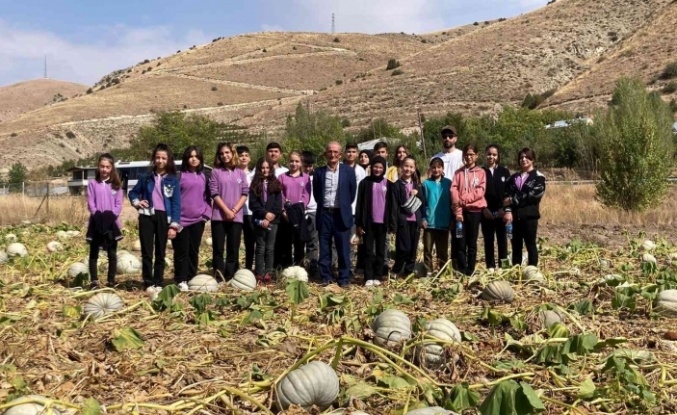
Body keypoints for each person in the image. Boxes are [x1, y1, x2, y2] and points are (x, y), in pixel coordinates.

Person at [129, 143, 181, 293]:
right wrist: (138, 203)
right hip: (146, 216)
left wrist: (174, 225)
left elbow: (176, 203)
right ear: (154, 159)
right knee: (146, 251)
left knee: (160, 251)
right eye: (157, 157)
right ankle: (147, 282)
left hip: (163, 217)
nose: (160, 160)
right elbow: (133, 193)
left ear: (168, 160)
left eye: (163, 158)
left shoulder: (173, 180)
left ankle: (158, 282)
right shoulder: (146, 178)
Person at [313, 141, 357, 288]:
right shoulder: (319, 172)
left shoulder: (348, 171)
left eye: (335, 152)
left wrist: (342, 206)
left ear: (340, 154)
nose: (332, 154)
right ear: (325, 154)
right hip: (324, 214)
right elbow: (317, 194)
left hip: (341, 214)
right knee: (324, 247)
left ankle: (344, 277)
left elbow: (351, 194)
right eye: (329, 151)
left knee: (343, 248)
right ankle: (326, 276)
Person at [209, 142, 249, 281]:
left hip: (236, 217)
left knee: (233, 249)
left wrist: (234, 210)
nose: (224, 156)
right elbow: (214, 192)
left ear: (232, 153)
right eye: (221, 153)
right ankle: (219, 277)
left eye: (227, 153)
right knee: (218, 249)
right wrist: (226, 210)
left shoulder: (240, 173)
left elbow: (245, 193)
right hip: (219, 216)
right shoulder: (215, 172)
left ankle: (231, 276)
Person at [172, 146, 211, 291]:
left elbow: (207, 198)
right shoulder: (179, 175)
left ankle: (191, 277)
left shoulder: (204, 176)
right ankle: (181, 279)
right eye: (191, 156)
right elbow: (172, 198)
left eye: (196, 156)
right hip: (181, 221)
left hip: (198, 221)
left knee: (193, 251)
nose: (194, 159)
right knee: (181, 251)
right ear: (186, 159)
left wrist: (205, 216)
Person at [86, 153, 124, 289]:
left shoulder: (116, 186)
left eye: (107, 167)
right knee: (93, 252)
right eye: (102, 166)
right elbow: (91, 203)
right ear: (98, 167)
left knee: (112, 253)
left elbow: (118, 205)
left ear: (111, 168)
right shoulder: (92, 184)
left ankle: (111, 281)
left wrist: (109, 217)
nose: (104, 169)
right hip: (96, 222)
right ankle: (94, 281)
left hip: (112, 223)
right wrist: (97, 215)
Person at [504, 148, 546, 267]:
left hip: (529, 217)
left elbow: (533, 195)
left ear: (532, 159)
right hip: (514, 218)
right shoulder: (513, 178)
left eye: (526, 157)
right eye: (521, 157)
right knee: (516, 245)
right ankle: (516, 271)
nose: (523, 159)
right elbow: (505, 196)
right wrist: (508, 210)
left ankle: (532, 271)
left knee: (530, 245)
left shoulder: (538, 177)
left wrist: (513, 200)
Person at [451, 144, 487, 276]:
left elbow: (480, 191)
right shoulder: (458, 173)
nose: (469, 157)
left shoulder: (481, 173)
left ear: (476, 156)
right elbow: (453, 190)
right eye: (467, 154)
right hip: (460, 212)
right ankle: (461, 268)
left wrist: (464, 199)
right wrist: (458, 209)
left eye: (472, 154)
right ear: (463, 156)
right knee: (460, 241)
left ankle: (470, 270)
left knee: (472, 242)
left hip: (474, 212)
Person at [355, 156, 390, 287]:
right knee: (368, 250)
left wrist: (391, 223)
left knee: (381, 250)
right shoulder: (364, 183)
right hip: (368, 222)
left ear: (384, 169)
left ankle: (378, 276)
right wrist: (359, 223)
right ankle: (368, 276)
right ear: (371, 167)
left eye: (380, 167)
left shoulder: (388, 184)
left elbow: (391, 206)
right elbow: (359, 204)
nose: (377, 169)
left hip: (382, 223)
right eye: (375, 166)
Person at [432, 125, 463, 270]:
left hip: (457, 200)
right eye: (444, 136)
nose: (447, 139)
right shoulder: (436, 157)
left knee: (458, 233)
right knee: (441, 234)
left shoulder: (461, 155)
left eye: (450, 136)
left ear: (455, 137)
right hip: (440, 201)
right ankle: (442, 265)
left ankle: (457, 264)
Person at [249, 157, 283, 283]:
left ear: (271, 169)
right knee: (260, 247)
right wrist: (264, 214)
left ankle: (268, 272)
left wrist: (271, 215)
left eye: (267, 167)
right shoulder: (254, 184)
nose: (265, 170)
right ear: (259, 169)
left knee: (270, 247)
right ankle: (259, 272)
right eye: (262, 168)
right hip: (259, 220)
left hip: (273, 221)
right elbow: (253, 204)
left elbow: (278, 204)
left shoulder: (276, 184)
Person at [388, 156, 423, 277]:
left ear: (414, 168)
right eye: (406, 166)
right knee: (403, 247)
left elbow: (423, 201)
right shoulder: (396, 185)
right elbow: (393, 206)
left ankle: (409, 271)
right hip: (403, 221)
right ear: (401, 167)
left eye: (411, 166)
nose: (408, 169)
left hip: (415, 221)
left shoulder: (417, 185)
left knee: (413, 248)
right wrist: (393, 225)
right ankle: (397, 269)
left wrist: (417, 194)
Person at [279, 151, 312, 266]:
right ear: (288, 162)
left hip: (299, 216)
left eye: (297, 161)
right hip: (286, 216)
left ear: (301, 163)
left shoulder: (306, 178)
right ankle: (286, 268)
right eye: (291, 161)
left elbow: (306, 195)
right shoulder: (282, 177)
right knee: (286, 244)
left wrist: (298, 209)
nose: (294, 163)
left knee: (299, 243)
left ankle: (299, 267)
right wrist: (284, 211)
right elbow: (280, 195)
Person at [421, 157, 452, 277]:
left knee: (442, 250)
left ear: (442, 168)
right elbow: (422, 203)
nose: (436, 169)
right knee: (428, 249)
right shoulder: (426, 184)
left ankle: (443, 270)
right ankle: (428, 270)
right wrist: (423, 218)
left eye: (439, 167)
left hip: (444, 222)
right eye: (433, 167)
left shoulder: (448, 183)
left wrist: (452, 219)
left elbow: (452, 203)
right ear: (430, 169)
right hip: (430, 222)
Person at [481, 144, 511, 270]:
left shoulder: (504, 172)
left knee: (502, 241)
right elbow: (478, 192)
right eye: (489, 154)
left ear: (498, 156)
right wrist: (483, 208)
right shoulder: (480, 171)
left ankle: (503, 267)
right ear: (485, 155)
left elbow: (508, 192)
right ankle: (490, 267)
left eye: (494, 154)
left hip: (501, 212)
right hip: (486, 212)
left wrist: (504, 210)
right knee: (488, 241)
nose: (491, 156)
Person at [237, 146, 256, 271]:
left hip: (250, 212)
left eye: (246, 155)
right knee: (235, 243)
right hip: (235, 213)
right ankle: (233, 268)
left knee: (250, 243)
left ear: (249, 158)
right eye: (241, 155)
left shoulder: (254, 175)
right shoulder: (233, 173)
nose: (243, 157)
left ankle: (248, 269)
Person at [302, 151, 320, 280]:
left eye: (310, 165)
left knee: (313, 242)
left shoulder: (317, 177)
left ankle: (313, 266)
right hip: (300, 212)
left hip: (313, 211)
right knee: (298, 241)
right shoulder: (296, 177)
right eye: (305, 165)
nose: (308, 168)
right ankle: (299, 265)